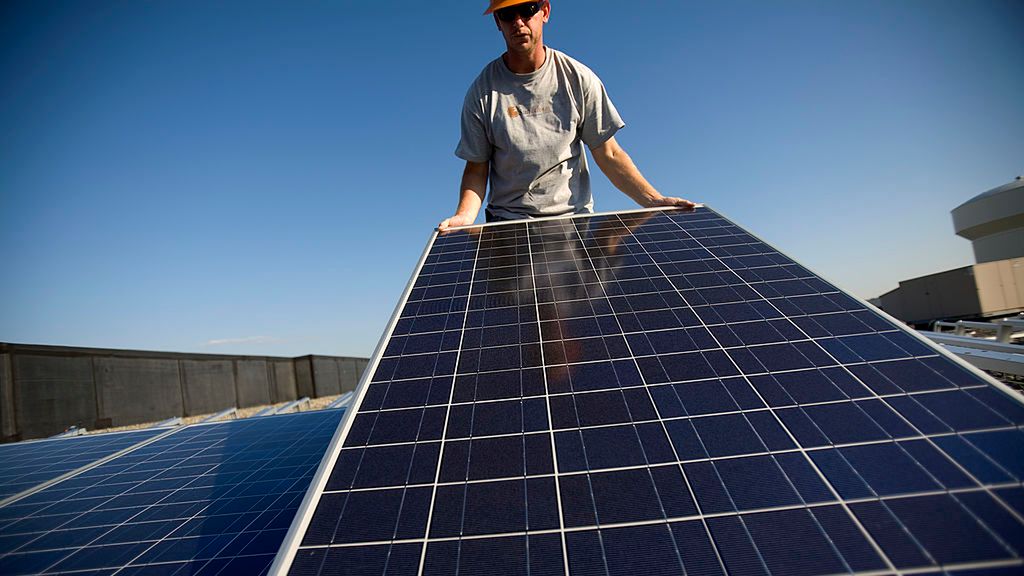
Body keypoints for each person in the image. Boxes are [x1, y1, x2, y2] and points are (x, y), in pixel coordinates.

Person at [439, 0, 694, 230]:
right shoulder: (482, 93)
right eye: (507, 14)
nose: (518, 22)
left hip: (573, 221)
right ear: (498, 22)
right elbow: (476, 168)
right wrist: (464, 215)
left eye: (528, 10)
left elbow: (609, 153)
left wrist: (653, 200)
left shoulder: (578, 78)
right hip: (509, 224)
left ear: (545, 12)